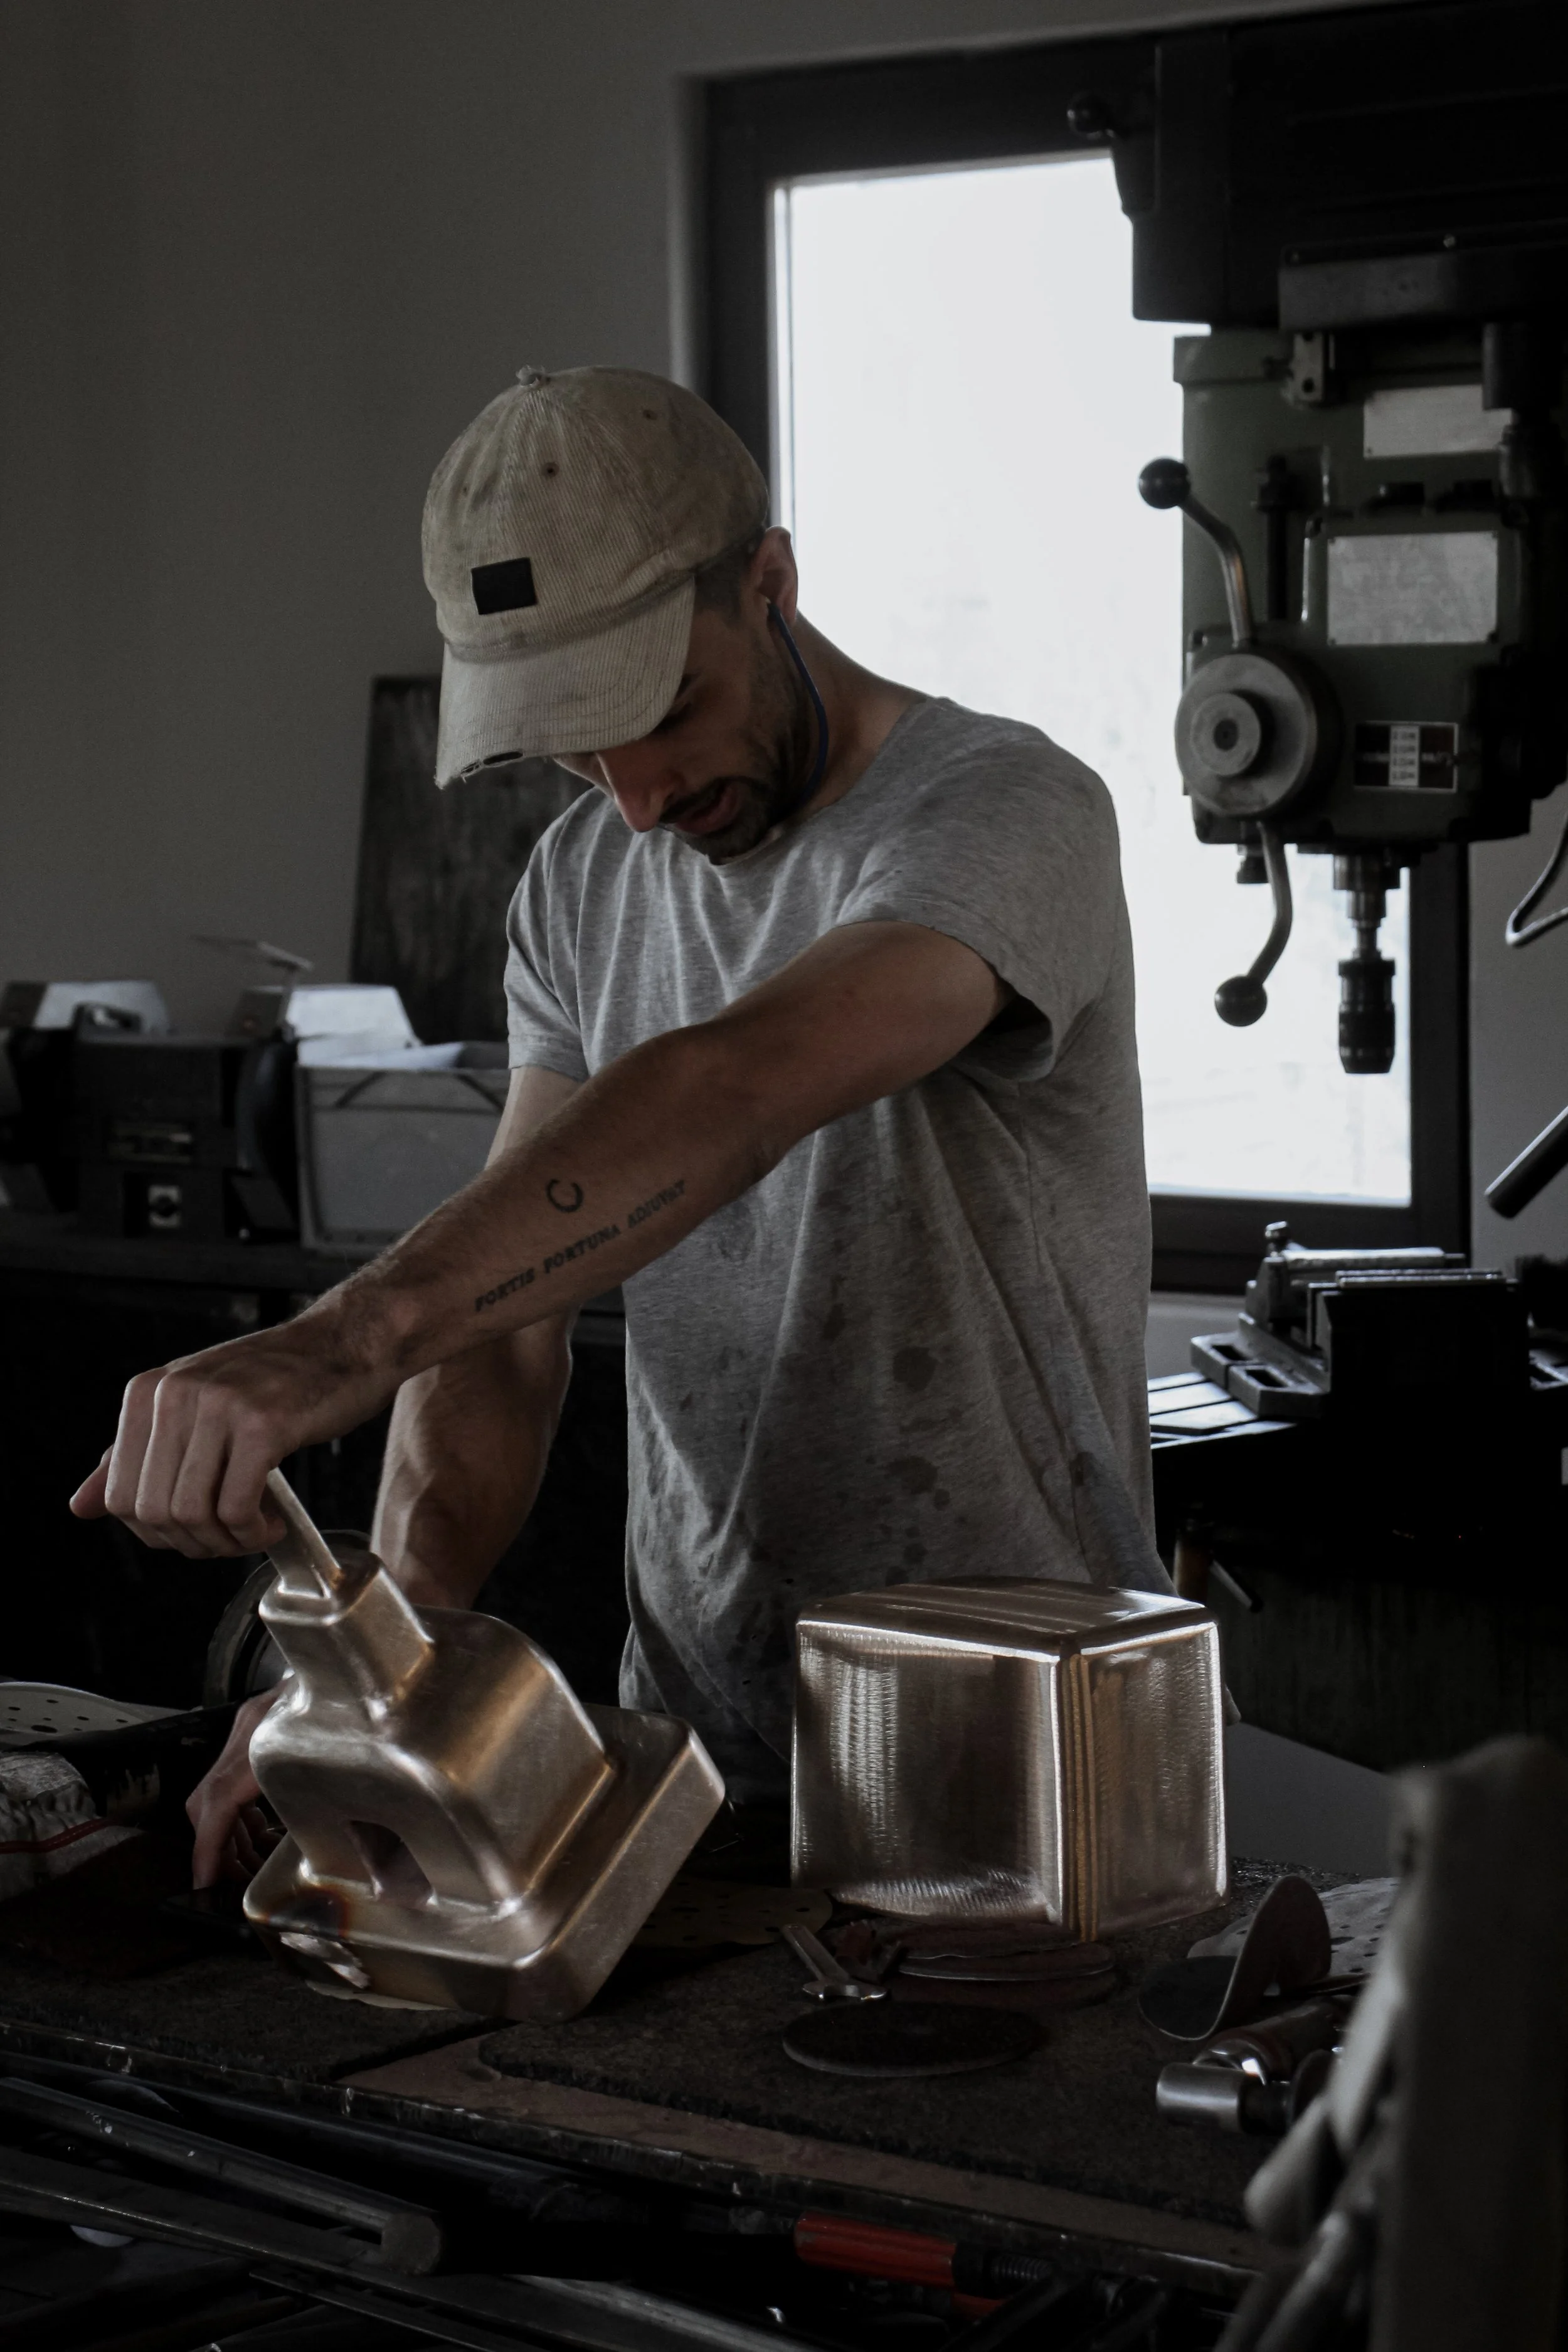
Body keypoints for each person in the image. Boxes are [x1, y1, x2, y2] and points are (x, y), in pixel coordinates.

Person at [71, 364, 1162, 1886]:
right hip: (706, 1745)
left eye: (661, 713)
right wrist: (379, 1661)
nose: (636, 801)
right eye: (574, 748)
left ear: (770, 583)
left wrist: (336, 1342)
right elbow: (511, 1327)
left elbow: (736, 1086)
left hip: (1015, 1740)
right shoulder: (581, 884)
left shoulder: (1002, 809)